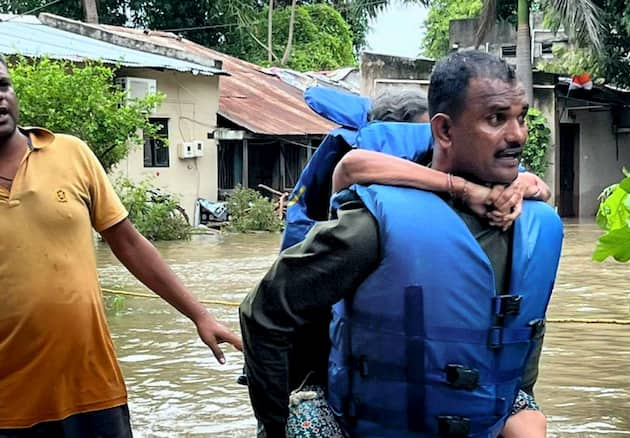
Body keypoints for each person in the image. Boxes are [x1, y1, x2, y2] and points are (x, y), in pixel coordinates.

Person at [240, 50, 563, 437]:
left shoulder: (536, 223)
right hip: (366, 419)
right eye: (496, 119)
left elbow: (522, 354)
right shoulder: (373, 223)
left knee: (528, 426)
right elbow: (263, 314)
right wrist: (273, 428)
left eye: (521, 118)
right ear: (444, 132)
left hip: (485, 412)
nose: (518, 135)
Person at [0, 56, 243, 437]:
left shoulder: (71, 153)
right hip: (8, 403)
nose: (0, 99)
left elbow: (127, 242)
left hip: (92, 388)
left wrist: (199, 314)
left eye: (3, 85)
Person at [334, 88, 551, 231]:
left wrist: (517, 188)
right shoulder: (373, 202)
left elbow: (540, 186)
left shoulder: (481, 183)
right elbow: (350, 166)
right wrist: (464, 189)